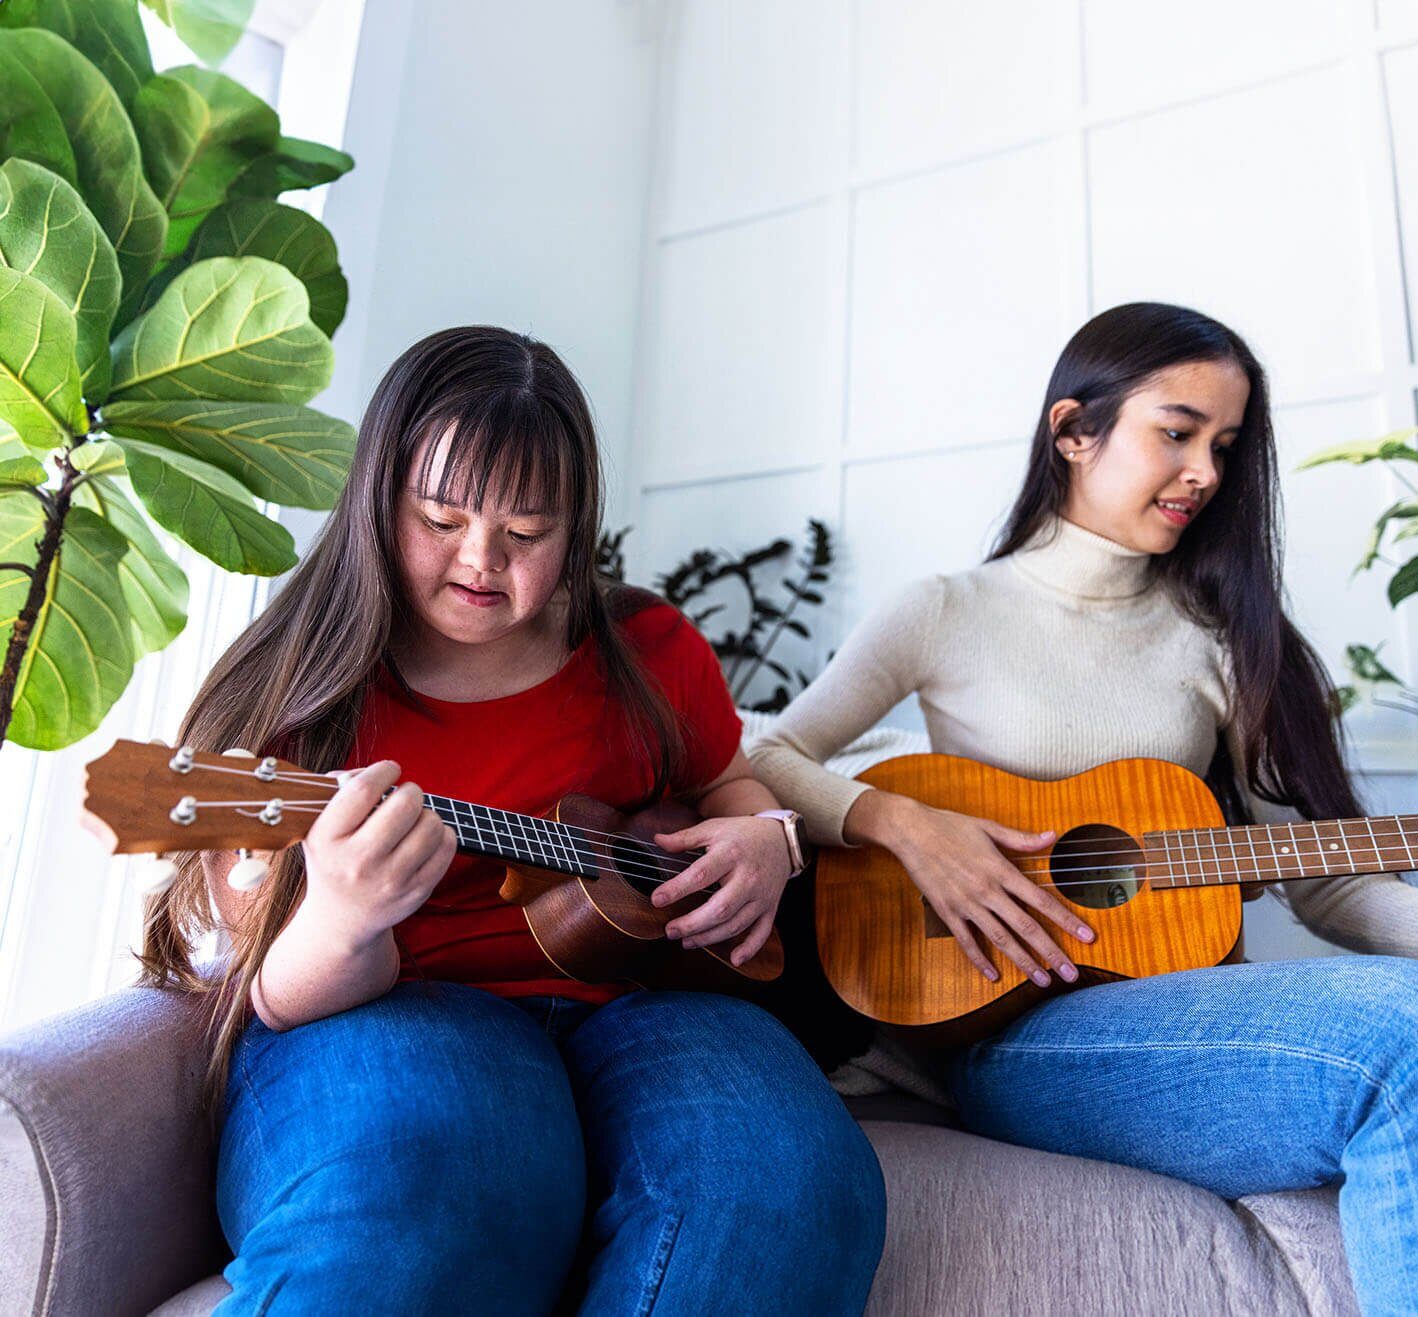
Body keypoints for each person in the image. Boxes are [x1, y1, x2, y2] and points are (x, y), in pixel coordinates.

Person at [138, 327, 885, 1315]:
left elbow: (733, 788)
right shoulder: (299, 700)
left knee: (786, 1192)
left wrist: (763, 838)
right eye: (440, 518)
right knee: (448, 1194)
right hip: (400, 1007)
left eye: (526, 535)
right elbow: (272, 994)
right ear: (378, 497)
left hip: (655, 998)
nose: (480, 560)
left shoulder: (647, 647)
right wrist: (346, 919)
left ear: (573, 530)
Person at [749, 302, 1418, 1314]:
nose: (1206, 470)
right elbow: (766, 755)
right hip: (1012, 1034)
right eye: (1178, 431)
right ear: (1074, 430)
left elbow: (1324, 874)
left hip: (1174, 1005)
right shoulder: (945, 610)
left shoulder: (1226, 641)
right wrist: (902, 824)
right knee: (1410, 1037)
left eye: (1226, 445)